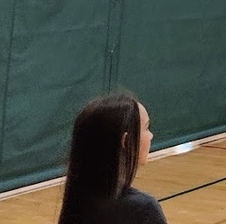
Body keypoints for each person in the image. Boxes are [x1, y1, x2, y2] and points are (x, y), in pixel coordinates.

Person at [57, 94, 166, 224]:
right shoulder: (143, 209)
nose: (151, 136)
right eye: (146, 128)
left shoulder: (77, 199)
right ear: (126, 141)